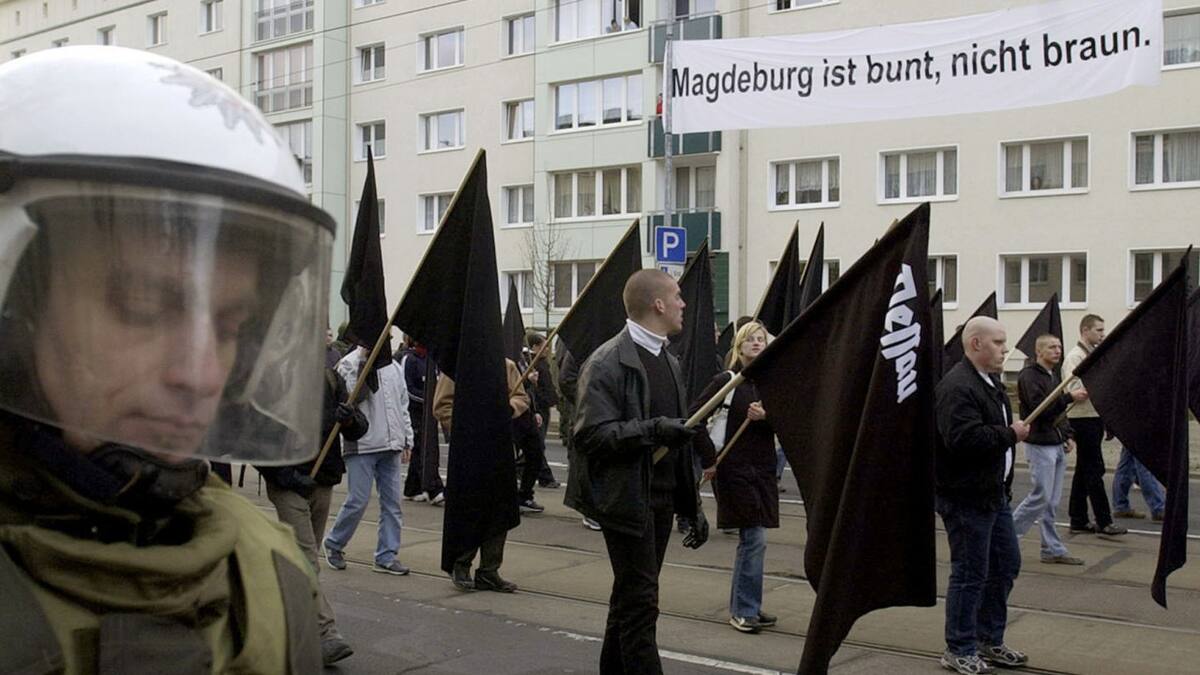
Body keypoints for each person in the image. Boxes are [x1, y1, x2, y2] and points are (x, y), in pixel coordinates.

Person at [0, 47, 334, 670]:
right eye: (142, 306)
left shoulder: (269, 571)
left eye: (232, 326)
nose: (202, 375)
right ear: (15, 311)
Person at [568, 269, 707, 675]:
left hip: (660, 500)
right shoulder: (608, 361)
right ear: (658, 304)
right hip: (625, 500)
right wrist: (653, 429)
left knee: (629, 600)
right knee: (642, 604)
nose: (683, 304)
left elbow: (678, 445)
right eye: (677, 297)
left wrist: (689, 505)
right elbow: (590, 435)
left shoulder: (669, 360)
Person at [935, 317, 1030, 674]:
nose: (1005, 349)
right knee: (970, 572)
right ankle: (959, 647)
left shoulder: (990, 383)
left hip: (993, 495)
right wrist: (1010, 434)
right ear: (975, 344)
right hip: (965, 497)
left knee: (1005, 564)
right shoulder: (957, 387)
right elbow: (962, 440)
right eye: (998, 342)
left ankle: (989, 639)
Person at [260, 366, 368, 665]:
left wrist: (350, 418)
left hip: (323, 477)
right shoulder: (269, 375)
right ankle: (325, 633)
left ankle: (281, 621)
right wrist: (287, 477)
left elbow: (359, 427)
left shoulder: (330, 376)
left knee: (301, 563)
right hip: (288, 482)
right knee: (306, 560)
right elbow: (256, 436)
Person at [691, 321, 779, 634]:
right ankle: (744, 609)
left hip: (763, 471)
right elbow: (695, 419)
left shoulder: (770, 383)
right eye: (750, 340)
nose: (757, 343)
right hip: (733, 469)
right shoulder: (726, 381)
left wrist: (766, 417)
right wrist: (709, 459)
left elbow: (788, 427)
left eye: (761, 339)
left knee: (755, 540)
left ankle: (748, 605)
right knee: (754, 538)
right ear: (739, 347)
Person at [433, 358, 529, 592]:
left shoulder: (506, 366)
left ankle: (489, 569)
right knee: (471, 507)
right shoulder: (458, 366)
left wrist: (510, 407)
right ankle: (461, 562)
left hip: (500, 446)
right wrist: (470, 424)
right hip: (470, 449)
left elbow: (521, 397)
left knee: (500, 508)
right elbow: (442, 406)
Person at [324, 344, 415, 575]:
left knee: (393, 503)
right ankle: (334, 543)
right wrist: (363, 363)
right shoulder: (348, 364)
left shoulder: (393, 366)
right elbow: (349, 399)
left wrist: (407, 437)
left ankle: (386, 554)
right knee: (358, 500)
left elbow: (402, 404)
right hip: (363, 444)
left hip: (391, 443)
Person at [1011, 335, 1088, 566]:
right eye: (1052, 347)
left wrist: (1067, 435)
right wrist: (1068, 397)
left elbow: (1057, 414)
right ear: (1039, 351)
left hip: (1054, 443)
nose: (1057, 351)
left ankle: (1051, 548)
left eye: (1059, 347)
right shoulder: (1029, 376)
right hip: (1039, 444)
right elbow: (1040, 408)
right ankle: (1007, 538)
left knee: (1051, 502)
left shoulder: (1052, 376)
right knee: (1040, 495)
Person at [1062, 315, 1126, 536]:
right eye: (1098, 330)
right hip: (1082, 419)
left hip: (1094, 416)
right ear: (1085, 330)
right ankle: (1104, 519)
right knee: (1094, 468)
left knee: (1084, 470)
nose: (1102, 334)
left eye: (1102, 330)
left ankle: (1078, 518)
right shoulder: (1075, 357)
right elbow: (1076, 390)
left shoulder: (1091, 355)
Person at [399, 338, 444, 504]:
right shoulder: (409, 360)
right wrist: (427, 400)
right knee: (419, 447)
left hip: (429, 413)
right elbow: (407, 389)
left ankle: (413, 488)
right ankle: (430, 487)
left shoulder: (431, 360)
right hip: (415, 412)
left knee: (423, 448)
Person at [528, 332, 562, 489]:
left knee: (536, 444)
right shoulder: (532, 364)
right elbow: (534, 390)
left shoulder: (542, 363)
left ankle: (523, 470)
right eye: (544, 345)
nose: (547, 348)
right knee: (537, 444)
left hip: (544, 407)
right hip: (538, 408)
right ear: (535, 347)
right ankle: (545, 477)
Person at [1111, 444, 1165, 521]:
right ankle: (1158, 508)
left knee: (1127, 462)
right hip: (1141, 433)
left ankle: (1120, 505)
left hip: (1129, 433)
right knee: (1144, 465)